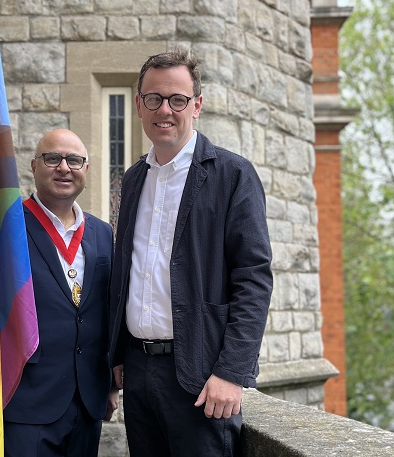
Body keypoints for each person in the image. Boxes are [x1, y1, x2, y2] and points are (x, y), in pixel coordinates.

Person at [109, 49, 273, 456]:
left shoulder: (233, 175)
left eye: (177, 100)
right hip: (139, 373)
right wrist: (117, 353)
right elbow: (127, 269)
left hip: (202, 376)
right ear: (139, 104)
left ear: (196, 105)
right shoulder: (133, 180)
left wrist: (231, 372)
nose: (165, 110)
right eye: (154, 99)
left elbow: (253, 278)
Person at [4, 129, 119, 457]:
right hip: (27, 400)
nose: (64, 168)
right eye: (52, 158)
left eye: (74, 160)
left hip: (87, 402)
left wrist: (110, 384)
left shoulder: (101, 233)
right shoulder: (7, 226)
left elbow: (106, 311)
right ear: (33, 165)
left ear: (86, 168)